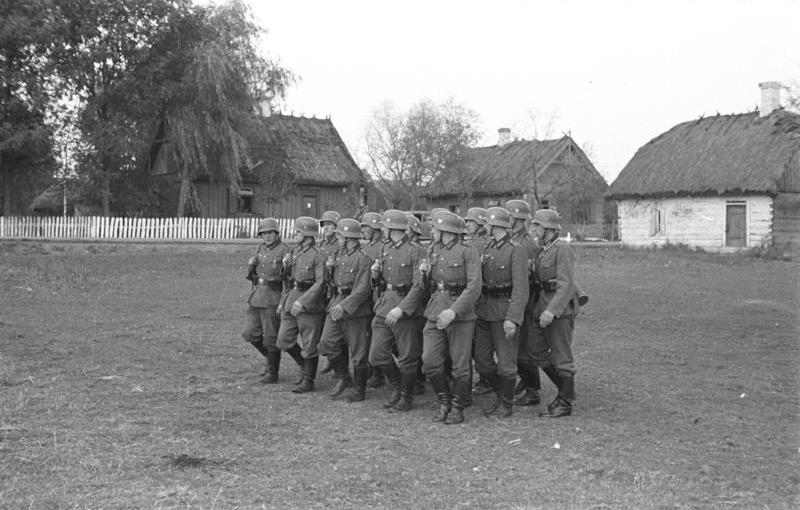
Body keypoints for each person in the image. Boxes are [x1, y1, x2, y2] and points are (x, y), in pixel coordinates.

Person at [420, 210, 482, 424]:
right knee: (429, 359)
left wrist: (454, 310)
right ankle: (444, 400)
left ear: (447, 231)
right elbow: (427, 286)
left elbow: (474, 287)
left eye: (435, 229)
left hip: (460, 314)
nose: (433, 232)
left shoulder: (468, 251)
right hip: (435, 310)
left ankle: (457, 407)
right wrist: (424, 273)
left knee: (460, 364)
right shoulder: (432, 249)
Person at [368, 210, 427, 412]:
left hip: (405, 308)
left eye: (385, 226)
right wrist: (375, 275)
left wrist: (402, 309)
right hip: (385, 305)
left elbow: (419, 285)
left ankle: (405, 396)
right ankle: (396, 386)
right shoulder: (385, 248)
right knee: (376, 353)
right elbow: (381, 282)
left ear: (395, 227)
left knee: (407, 356)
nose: (382, 229)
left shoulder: (416, 251)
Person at [474, 207, 529, 418]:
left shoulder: (516, 250)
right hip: (485, 310)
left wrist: (512, 318)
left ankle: (506, 404)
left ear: (496, 225)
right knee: (482, 361)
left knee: (506, 362)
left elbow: (521, 289)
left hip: (504, 311)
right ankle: (501, 394)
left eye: (487, 223)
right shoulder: (487, 248)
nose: (484, 226)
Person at [529, 209, 583, 417]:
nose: (534, 229)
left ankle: (565, 401)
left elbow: (566, 284)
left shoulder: (562, 249)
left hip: (559, 309)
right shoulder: (544, 250)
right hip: (542, 304)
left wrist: (552, 311)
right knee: (535, 349)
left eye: (538, 226)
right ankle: (565, 389)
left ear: (550, 229)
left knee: (561, 354)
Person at [318, 219, 374, 402]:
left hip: (355, 311)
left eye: (340, 235)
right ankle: (344, 376)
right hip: (336, 303)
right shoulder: (338, 254)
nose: (337, 238)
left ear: (349, 237)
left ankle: (359, 390)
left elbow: (363, 289)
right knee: (326, 343)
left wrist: (345, 306)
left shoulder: (363, 258)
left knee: (358, 353)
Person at [242, 218, 301, 383]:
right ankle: (269, 359)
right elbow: (254, 276)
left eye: (270, 233)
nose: (267, 236)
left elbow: (288, 280)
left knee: (271, 336)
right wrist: (251, 266)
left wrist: (283, 301)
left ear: (277, 233)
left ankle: (274, 373)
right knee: (249, 332)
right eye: (264, 234)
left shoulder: (285, 251)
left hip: (273, 297)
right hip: (257, 296)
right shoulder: (261, 249)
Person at [276, 216, 326, 393]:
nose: (294, 234)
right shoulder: (294, 252)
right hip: (291, 299)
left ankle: (308, 380)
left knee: (309, 344)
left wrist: (303, 301)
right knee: (283, 339)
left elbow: (320, 282)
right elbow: (288, 279)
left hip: (309, 305)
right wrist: (284, 301)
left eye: (298, 231)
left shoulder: (318, 255)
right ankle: (304, 366)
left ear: (307, 233)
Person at [505, 198, 544, 407]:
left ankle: (533, 390)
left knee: (524, 350)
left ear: (518, 220)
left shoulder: (527, 244)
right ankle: (525, 382)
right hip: (515, 300)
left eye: (509, 217)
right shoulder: (513, 240)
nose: (507, 220)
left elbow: (529, 278)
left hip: (526, 304)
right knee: (514, 348)